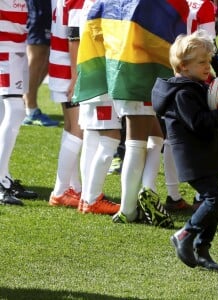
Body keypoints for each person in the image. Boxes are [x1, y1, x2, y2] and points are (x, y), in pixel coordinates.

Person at [74, 0, 191, 227]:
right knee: (136, 141)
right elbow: (171, 37)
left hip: (120, 71)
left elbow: (91, 29)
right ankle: (128, 209)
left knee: (156, 136)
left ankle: (147, 193)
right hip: (140, 73)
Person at [152, 30, 218, 270]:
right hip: (193, 155)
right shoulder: (183, 93)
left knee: (213, 202)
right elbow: (198, 123)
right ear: (183, 66)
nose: (207, 66)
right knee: (215, 198)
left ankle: (202, 250)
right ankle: (185, 235)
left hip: (204, 153)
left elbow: (208, 119)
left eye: (208, 61)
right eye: (201, 62)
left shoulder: (196, 86)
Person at [76, 0, 121, 215]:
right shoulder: (108, 4)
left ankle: (87, 196)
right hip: (104, 77)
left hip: (88, 75)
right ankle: (92, 198)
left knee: (91, 138)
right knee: (111, 137)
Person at [0, 0, 39, 205]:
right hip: (6, 50)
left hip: (17, 47)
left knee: (6, 113)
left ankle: (4, 176)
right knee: (16, 110)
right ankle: (1, 181)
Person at [48, 0, 84, 208]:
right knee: (78, 130)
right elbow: (74, 36)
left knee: (71, 128)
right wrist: (76, 76)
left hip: (60, 64)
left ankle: (73, 188)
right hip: (68, 68)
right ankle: (61, 191)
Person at [23, 0, 59, 127]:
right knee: (37, 52)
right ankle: (30, 109)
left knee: (47, 55)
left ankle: (25, 101)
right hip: (38, 7)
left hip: (49, 5)